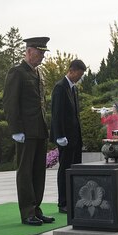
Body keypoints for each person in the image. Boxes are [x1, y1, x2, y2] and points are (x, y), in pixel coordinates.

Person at [3, 37, 55, 226]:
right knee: (25, 172)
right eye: (40, 52)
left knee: (38, 171)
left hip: (39, 128)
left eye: (43, 53)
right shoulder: (17, 72)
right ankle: (27, 211)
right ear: (29, 51)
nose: (42, 56)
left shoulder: (38, 73)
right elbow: (10, 102)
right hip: (25, 131)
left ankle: (36, 208)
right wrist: (16, 129)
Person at [50, 59, 86, 214]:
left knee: (75, 168)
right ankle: (63, 202)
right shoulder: (60, 87)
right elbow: (56, 113)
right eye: (79, 74)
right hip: (65, 137)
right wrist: (59, 135)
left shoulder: (74, 89)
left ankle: (74, 199)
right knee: (65, 169)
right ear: (72, 70)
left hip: (75, 137)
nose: (80, 77)